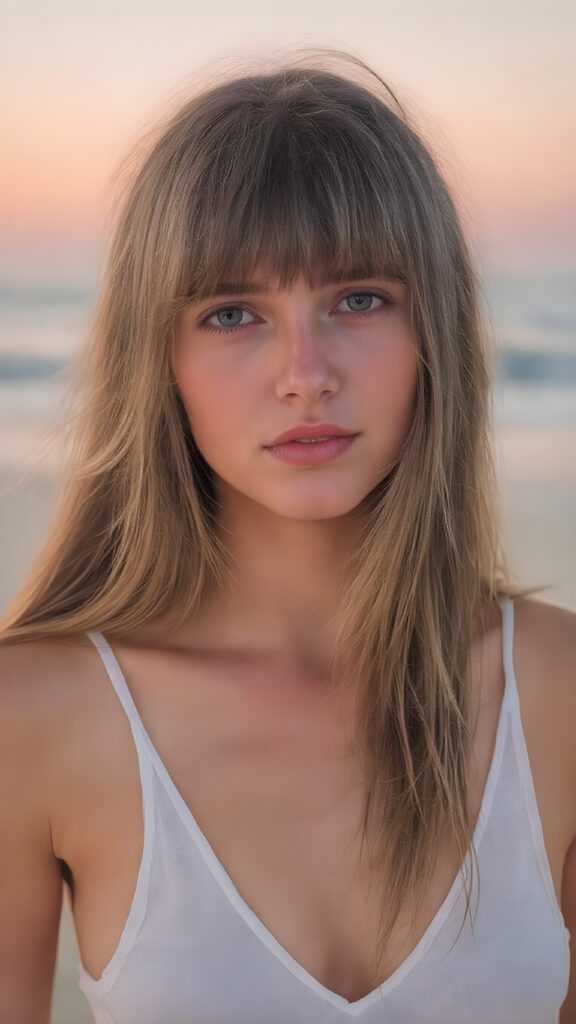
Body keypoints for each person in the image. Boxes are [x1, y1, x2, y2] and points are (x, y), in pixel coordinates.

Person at [0, 50, 574, 1024]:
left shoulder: (557, 691)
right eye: (233, 313)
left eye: (358, 299)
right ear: (161, 359)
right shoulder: (36, 716)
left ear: (431, 327)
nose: (305, 373)